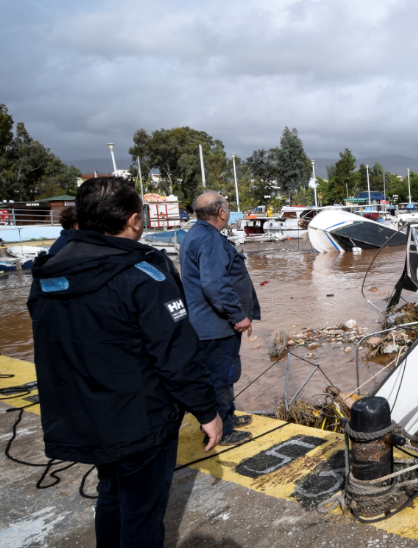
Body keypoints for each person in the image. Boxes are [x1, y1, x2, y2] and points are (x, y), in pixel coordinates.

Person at [27, 177, 222, 548]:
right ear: (134, 220)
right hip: (140, 421)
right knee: (143, 516)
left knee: (111, 497)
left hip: (85, 415)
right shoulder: (144, 273)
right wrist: (207, 411)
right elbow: (176, 355)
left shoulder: (50, 271)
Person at [180, 192, 261, 446]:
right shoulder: (209, 239)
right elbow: (215, 285)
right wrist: (239, 316)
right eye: (227, 208)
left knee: (220, 374)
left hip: (208, 324)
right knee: (221, 376)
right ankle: (223, 429)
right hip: (216, 326)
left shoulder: (196, 234)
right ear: (221, 213)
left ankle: (226, 416)